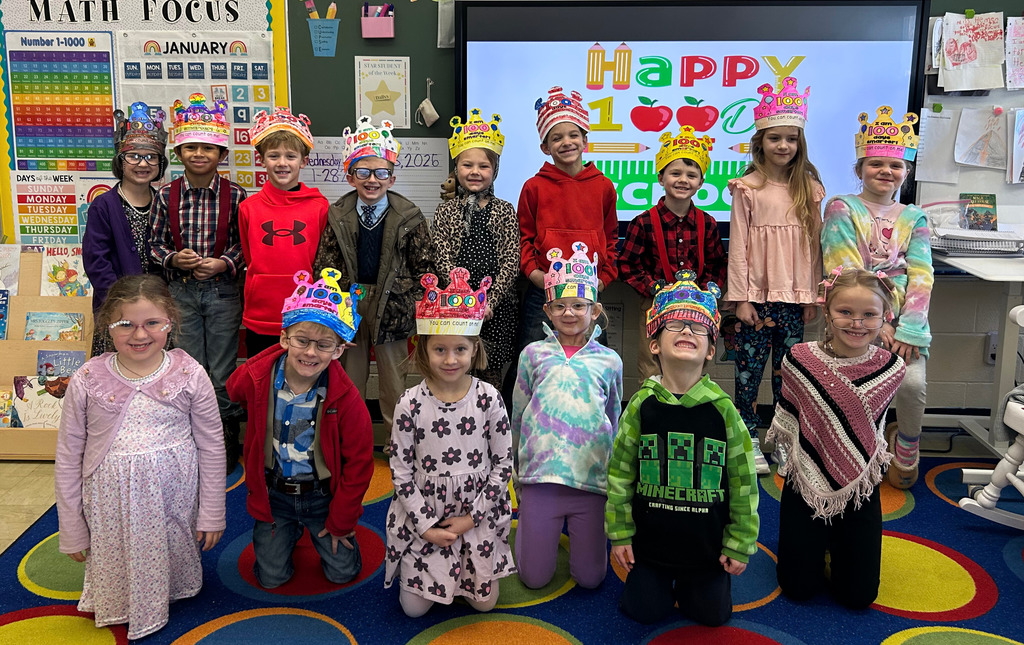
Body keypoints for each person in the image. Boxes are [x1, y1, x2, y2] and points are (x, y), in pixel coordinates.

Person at [55, 275, 225, 640]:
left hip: (173, 496)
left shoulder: (189, 374)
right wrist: (71, 528)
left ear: (170, 322)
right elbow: (68, 454)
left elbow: (212, 445)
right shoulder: (87, 378)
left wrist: (212, 512)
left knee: (167, 545)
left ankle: (168, 592)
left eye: (152, 323)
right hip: (109, 500)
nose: (139, 334)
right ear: (107, 324)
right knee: (118, 550)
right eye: (125, 324)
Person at [606, 270, 759, 626]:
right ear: (655, 344)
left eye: (698, 328)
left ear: (710, 351)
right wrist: (620, 533)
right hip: (650, 550)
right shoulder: (640, 405)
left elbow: (744, 483)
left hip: (706, 552)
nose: (687, 331)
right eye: (675, 324)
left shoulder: (724, 411)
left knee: (711, 616)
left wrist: (739, 542)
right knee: (642, 612)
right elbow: (619, 475)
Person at [766, 266, 905, 608]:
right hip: (805, 481)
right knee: (798, 588)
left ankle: (837, 542)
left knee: (859, 597)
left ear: (884, 316)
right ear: (827, 312)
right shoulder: (799, 360)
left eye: (869, 314)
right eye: (845, 312)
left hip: (859, 487)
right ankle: (816, 542)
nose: (857, 323)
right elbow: (793, 419)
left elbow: (868, 431)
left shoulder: (891, 368)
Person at [226, 268, 374, 588]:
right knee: (271, 579)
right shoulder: (260, 378)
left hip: (322, 496)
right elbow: (233, 387)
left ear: (339, 351)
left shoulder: (347, 399)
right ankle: (288, 530)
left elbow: (360, 466)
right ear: (284, 339)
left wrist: (342, 520)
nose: (310, 352)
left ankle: (319, 529)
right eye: (301, 340)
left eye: (323, 345)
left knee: (342, 573)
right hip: (275, 494)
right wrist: (266, 361)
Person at [384, 266, 516, 616]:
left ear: (474, 349)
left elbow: (503, 465)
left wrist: (471, 518)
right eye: (439, 349)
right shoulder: (409, 403)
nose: (450, 359)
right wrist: (426, 525)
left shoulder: (489, 398)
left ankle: (464, 571)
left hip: (476, 515)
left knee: (485, 605)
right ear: (424, 349)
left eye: (460, 349)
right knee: (413, 610)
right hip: (425, 515)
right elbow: (400, 471)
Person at [821, 106, 931, 490]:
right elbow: (844, 270)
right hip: (855, 317)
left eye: (895, 165)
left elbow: (922, 276)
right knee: (851, 386)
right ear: (860, 169)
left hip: (903, 323)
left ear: (906, 172)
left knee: (912, 384)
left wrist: (908, 330)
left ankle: (907, 442)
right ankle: (854, 446)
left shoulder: (914, 218)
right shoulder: (841, 208)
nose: (886, 171)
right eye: (876, 164)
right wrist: (874, 321)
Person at [313, 115, 435, 451]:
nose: (372, 180)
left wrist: (410, 302)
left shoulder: (409, 215)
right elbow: (325, 265)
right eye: (363, 172)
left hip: (393, 307)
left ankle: (398, 448)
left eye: (381, 173)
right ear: (350, 175)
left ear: (391, 177)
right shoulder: (338, 214)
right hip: (349, 305)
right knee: (349, 381)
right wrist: (334, 308)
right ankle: (352, 446)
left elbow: (426, 268)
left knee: (394, 384)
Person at [724, 76, 824, 475]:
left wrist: (813, 296)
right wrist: (741, 299)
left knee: (790, 375)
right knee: (748, 374)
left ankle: (783, 438)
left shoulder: (809, 189)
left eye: (791, 139)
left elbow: (814, 246)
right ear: (760, 141)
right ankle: (747, 436)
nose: (783, 145)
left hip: (795, 299)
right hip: (756, 300)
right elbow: (738, 247)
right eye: (775, 138)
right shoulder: (747, 187)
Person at [512, 242, 623, 590]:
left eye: (578, 305)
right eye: (560, 305)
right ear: (547, 310)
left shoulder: (610, 361)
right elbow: (518, 415)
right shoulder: (532, 355)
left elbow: (614, 417)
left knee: (591, 579)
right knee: (533, 579)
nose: (569, 313)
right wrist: (517, 470)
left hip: (590, 480)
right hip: (540, 478)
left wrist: (612, 476)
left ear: (595, 310)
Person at [149, 92, 247, 472]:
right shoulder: (166, 195)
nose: (199, 154)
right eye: (191, 147)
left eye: (208, 148)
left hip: (223, 293)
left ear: (221, 154)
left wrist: (223, 263)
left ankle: (224, 435)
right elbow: (154, 244)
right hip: (181, 292)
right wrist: (174, 258)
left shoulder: (236, 196)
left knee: (222, 370)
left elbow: (244, 244)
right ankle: (192, 434)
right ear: (178, 152)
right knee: (189, 366)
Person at [618, 126, 727, 383]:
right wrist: (654, 287)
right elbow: (627, 264)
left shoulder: (708, 223)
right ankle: (651, 406)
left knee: (694, 363)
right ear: (661, 177)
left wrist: (706, 290)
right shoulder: (643, 222)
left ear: (701, 183)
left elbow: (718, 264)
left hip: (698, 305)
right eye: (675, 173)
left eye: (691, 175)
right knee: (652, 364)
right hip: (654, 304)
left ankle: (692, 405)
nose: (683, 180)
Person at [516, 86, 619, 350]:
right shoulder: (533, 187)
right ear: (545, 147)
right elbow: (524, 237)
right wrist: (535, 274)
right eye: (557, 138)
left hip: (588, 291)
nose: (566, 142)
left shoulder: (604, 186)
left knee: (594, 359)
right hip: (544, 292)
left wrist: (604, 279)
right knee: (531, 356)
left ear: (585, 141)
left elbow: (611, 237)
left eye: (574, 135)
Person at [430, 109, 519, 389]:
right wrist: (463, 298)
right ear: (457, 168)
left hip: (495, 309)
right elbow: (441, 256)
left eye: (484, 166)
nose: (475, 172)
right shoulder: (446, 211)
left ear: (495, 170)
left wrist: (489, 301)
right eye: (467, 165)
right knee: (455, 370)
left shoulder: (504, 210)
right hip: (455, 305)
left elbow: (511, 260)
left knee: (490, 377)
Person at [239, 107, 329, 358]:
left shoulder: (319, 207)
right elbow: (249, 256)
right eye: (273, 156)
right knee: (260, 374)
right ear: (261, 160)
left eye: (290, 156)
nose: (282, 163)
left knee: (304, 373)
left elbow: (322, 260)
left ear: (304, 161)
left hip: (306, 310)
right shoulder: (248, 208)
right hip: (261, 313)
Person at [83, 102, 168, 356]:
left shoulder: (163, 202)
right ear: (120, 161)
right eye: (134, 156)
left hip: (157, 307)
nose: (143, 164)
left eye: (151, 157)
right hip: (117, 308)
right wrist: (121, 302)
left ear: (160, 163)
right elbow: (96, 262)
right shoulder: (104, 205)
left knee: (153, 366)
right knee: (118, 369)